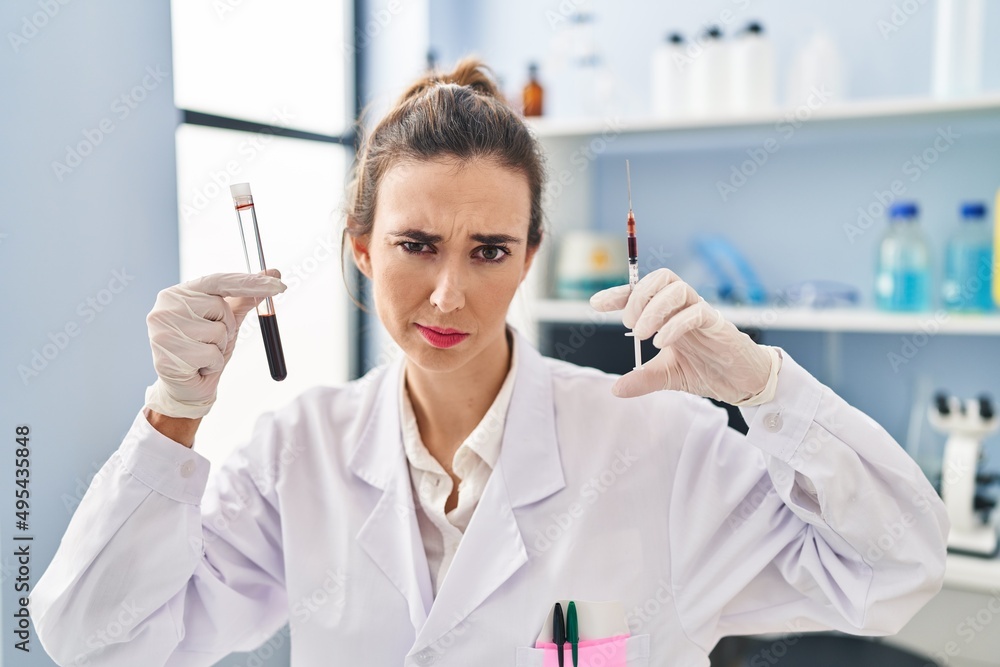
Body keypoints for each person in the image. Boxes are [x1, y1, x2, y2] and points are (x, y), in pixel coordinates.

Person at [33, 57, 948, 667]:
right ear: (362, 246)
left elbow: (896, 566)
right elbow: (96, 640)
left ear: (529, 255)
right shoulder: (295, 455)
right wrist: (173, 412)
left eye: (489, 251)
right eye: (417, 244)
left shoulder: (661, 444)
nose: (447, 295)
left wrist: (762, 387)